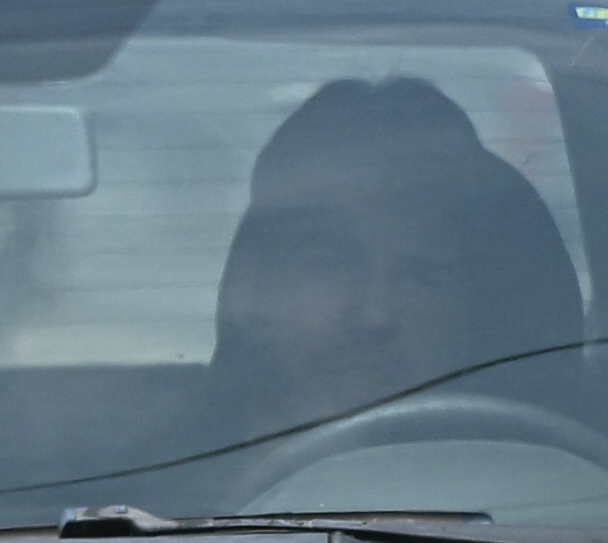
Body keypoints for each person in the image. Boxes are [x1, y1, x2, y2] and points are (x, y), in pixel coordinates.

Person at [210, 75, 585, 455]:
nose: (376, 314)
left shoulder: (562, 489)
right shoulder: (158, 491)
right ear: (252, 282)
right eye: (333, 264)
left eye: (421, 276)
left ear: (472, 309)